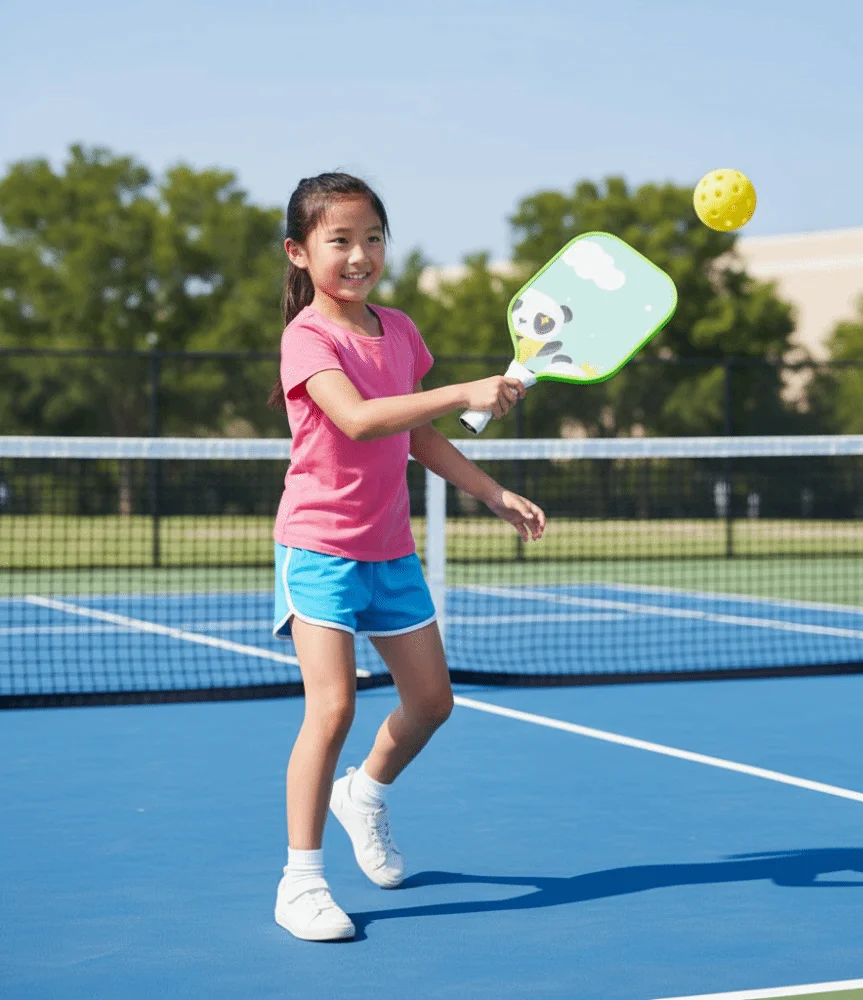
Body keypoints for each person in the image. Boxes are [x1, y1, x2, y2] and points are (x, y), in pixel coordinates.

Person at [268, 172, 545, 941]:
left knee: (431, 703)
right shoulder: (307, 338)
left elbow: (416, 436)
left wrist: (492, 492)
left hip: (390, 550)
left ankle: (365, 794)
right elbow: (358, 420)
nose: (360, 255)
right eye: (340, 240)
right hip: (319, 547)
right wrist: (464, 389)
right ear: (299, 253)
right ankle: (300, 882)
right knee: (333, 707)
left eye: (373, 238)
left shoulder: (401, 329)